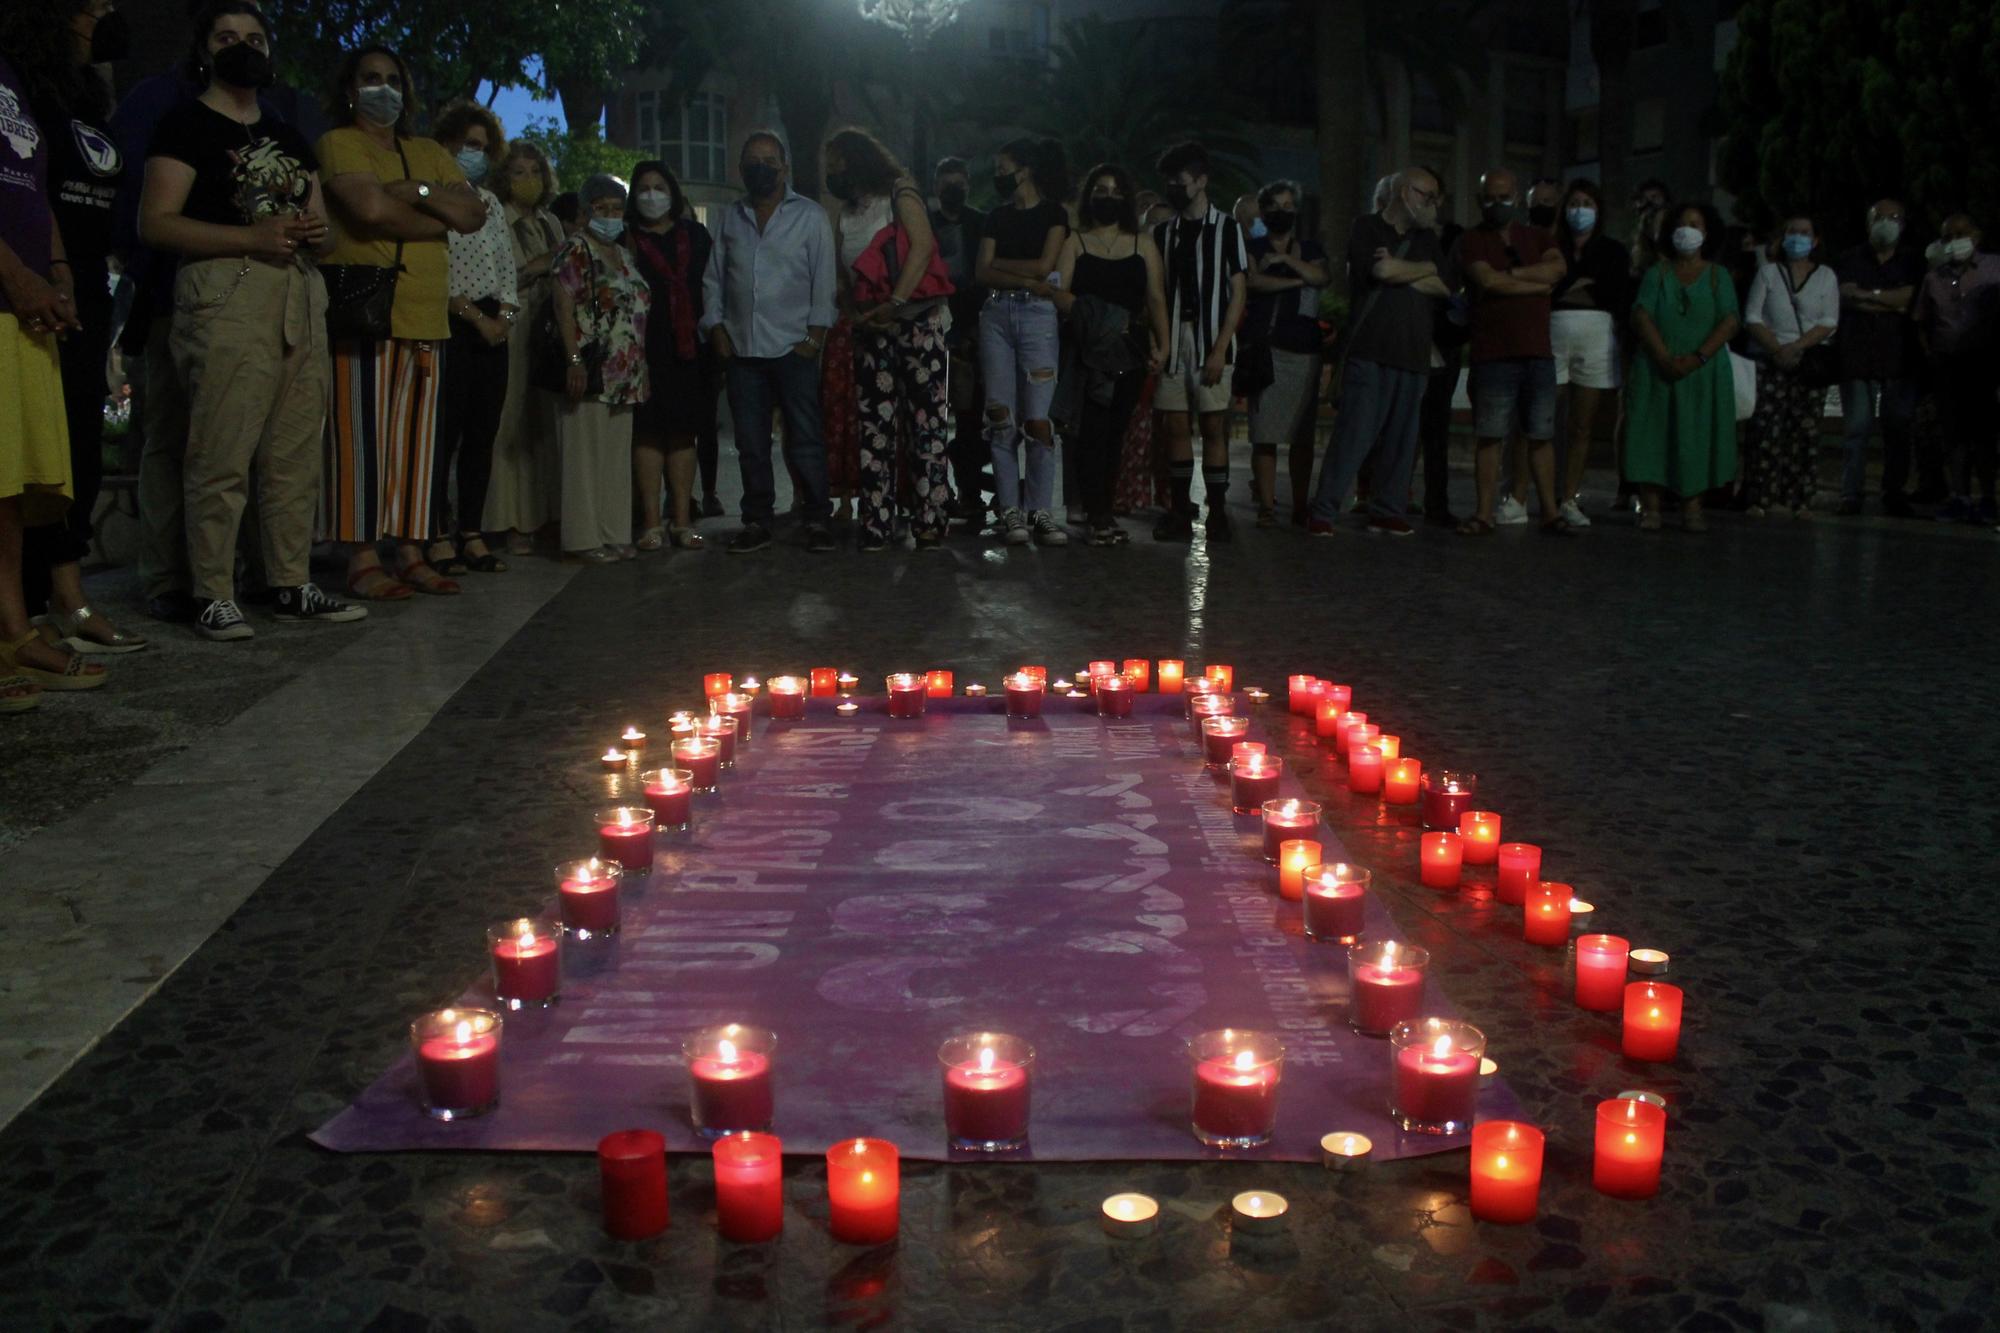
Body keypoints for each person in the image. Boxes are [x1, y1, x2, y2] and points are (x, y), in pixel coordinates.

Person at [140, 0, 365, 639]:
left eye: (256, 38)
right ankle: (211, 591)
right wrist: (250, 237)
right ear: (206, 50)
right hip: (226, 291)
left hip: (297, 294)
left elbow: (315, 220)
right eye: (228, 37)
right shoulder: (184, 124)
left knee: (293, 453)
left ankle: (289, 582)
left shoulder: (288, 133)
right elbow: (156, 223)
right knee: (221, 449)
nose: (244, 47)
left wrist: (314, 230)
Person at [316, 44, 488, 599]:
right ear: (350, 87)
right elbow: (367, 211)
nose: (383, 89)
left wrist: (413, 191)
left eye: (392, 79)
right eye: (371, 78)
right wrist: (433, 216)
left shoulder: (428, 151)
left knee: (417, 447)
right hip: (367, 311)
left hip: (425, 316)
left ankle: (411, 550)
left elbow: (471, 214)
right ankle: (362, 557)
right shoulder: (340, 143)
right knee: (362, 440)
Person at [22, 0, 147, 655]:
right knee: (40, 448)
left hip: (88, 282)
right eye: (95, 3)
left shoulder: (91, 94)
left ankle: (63, 596)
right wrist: (52, 268)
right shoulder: (24, 85)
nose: (109, 14)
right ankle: (46, 600)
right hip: (40, 277)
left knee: (78, 443)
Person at [0, 2, 107, 703]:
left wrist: (59, 270)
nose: (93, 14)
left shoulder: (13, 77)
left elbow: (30, 188)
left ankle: (12, 630)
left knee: (9, 485)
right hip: (8, 292)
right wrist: (16, 273)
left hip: (25, 308)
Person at [700, 130, 838, 554]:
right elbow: (713, 279)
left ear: (784, 167)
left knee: (805, 438)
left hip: (794, 347)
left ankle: (815, 517)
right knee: (751, 444)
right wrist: (716, 328)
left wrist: (815, 337)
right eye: (752, 161)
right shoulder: (729, 217)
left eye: (768, 160)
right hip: (743, 350)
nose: (760, 167)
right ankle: (757, 520)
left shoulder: (810, 216)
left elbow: (824, 281)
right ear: (741, 169)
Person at [824, 128, 952, 551]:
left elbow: (921, 247)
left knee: (926, 426)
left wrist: (895, 304)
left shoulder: (901, 194)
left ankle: (929, 519)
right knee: (874, 430)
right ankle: (876, 522)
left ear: (857, 159)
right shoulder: (847, 213)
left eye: (836, 162)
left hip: (916, 322)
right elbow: (846, 275)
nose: (832, 171)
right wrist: (857, 313)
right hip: (871, 329)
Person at [1305, 166, 1450, 537]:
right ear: (1404, 193)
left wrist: (1409, 267)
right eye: (1425, 194)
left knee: (1403, 439)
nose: (1432, 203)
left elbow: (1445, 285)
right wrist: (1421, 271)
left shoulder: (1427, 239)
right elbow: (1380, 271)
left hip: (1414, 352)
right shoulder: (1366, 227)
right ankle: (1324, 510)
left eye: (1435, 196)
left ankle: (1388, 509)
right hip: (1370, 349)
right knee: (1354, 434)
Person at [1051, 163, 1168, 545]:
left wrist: (1161, 344)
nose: (1108, 198)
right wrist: (1099, 318)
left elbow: (1155, 298)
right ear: (1089, 197)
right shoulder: (1075, 243)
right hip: (1090, 354)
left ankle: (1103, 509)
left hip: (1129, 353)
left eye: (1117, 192)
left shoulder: (1143, 244)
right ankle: (1098, 515)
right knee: (1092, 434)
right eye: (1100, 190)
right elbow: (1059, 293)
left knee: (1116, 433)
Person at [1454, 167, 1571, 536]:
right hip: (1494, 354)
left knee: (1541, 436)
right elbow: (1486, 280)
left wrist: (1512, 277)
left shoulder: (1535, 236)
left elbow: (1558, 269)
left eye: (1504, 197)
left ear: (1517, 198)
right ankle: (1484, 514)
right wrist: (1537, 286)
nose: (1497, 204)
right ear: (1479, 200)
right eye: (1490, 197)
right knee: (1490, 435)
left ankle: (1550, 513)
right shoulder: (1472, 239)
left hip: (1537, 353)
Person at [428, 102, 517, 575]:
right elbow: (432, 269)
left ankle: (471, 531)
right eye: (467, 145)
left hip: (492, 325)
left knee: (482, 437)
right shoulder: (432, 200)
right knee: (445, 436)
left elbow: (506, 268)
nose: (474, 154)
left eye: (482, 147)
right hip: (449, 322)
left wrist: (502, 316)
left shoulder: (490, 204)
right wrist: (474, 318)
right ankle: (436, 532)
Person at [1150, 140, 1247, 542]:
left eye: (1181, 180)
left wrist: (1221, 348)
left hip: (1209, 339)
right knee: (1175, 425)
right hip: (1174, 338)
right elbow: (1154, 291)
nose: (1175, 188)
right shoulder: (1162, 233)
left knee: (1213, 426)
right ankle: (1179, 511)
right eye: (1170, 181)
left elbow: (1238, 290)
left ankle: (1218, 512)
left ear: (1202, 181)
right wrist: (1159, 344)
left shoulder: (1227, 228)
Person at [974, 136, 1069, 546]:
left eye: (1003, 168)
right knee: (1000, 418)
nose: (999, 176)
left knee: (1039, 420)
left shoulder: (1053, 214)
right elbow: (982, 272)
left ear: (1025, 170)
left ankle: (1040, 511)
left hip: (1036, 317)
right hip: (997, 315)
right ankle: (1010, 510)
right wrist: (1027, 277)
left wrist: (1003, 266)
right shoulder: (995, 216)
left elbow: (1047, 265)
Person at [1625, 203, 1740, 532]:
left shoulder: (1719, 277)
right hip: (1656, 369)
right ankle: (1651, 507)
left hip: (1703, 373)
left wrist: (1698, 357)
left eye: (1695, 223)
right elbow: (1641, 314)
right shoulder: (1656, 274)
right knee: (1651, 433)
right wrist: (1663, 357)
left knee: (1697, 435)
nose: (1688, 229)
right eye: (1682, 223)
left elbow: (1730, 320)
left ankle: (1693, 506)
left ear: (1706, 233)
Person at [552, 174, 649, 561]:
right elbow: (562, 306)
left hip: (625, 369)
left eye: (616, 209)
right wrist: (573, 358)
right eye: (601, 209)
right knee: (584, 455)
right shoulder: (575, 250)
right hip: (591, 365)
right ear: (586, 211)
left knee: (613, 457)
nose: (610, 216)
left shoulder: (624, 255)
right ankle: (582, 537)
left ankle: (613, 531)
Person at [624, 159, 713, 550]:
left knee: (682, 434)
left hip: (688, 347)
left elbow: (711, 286)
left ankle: (681, 519)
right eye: (643, 188)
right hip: (641, 348)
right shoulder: (625, 239)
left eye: (660, 187)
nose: (652, 195)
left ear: (673, 193)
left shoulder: (694, 235)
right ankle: (650, 523)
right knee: (646, 434)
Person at [483, 140, 562, 556]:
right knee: (510, 420)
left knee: (542, 424)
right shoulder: (496, 220)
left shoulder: (550, 222)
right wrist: (535, 267)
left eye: (535, 172)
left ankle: (544, 514)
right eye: (518, 172)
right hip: (513, 325)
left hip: (547, 330)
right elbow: (493, 278)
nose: (528, 180)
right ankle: (508, 520)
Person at [1242, 178, 1329, 527]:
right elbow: (1252, 281)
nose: (1282, 212)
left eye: (1288, 206)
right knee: (1264, 434)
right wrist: (1297, 278)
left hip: (1305, 351)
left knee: (1301, 437)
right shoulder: (1252, 245)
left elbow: (1321, 277)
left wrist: (1283, 261)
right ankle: (1266, 505)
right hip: (1266, 347)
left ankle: (1298, 505)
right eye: (1274, 206)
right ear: (1263, 211)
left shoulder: (1310, 247)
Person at [1742, 214, 1838, 518]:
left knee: (1805, 432)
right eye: (1792, 232)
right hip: (1770, 360)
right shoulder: (1768, 273)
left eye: (1805, 232)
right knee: (1765, 429)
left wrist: (1796, 347)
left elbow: (1829, 321)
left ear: (1816, 239)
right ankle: (1761, 496)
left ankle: (1800, 498)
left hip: (1808, 361)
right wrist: (1777, 349)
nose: (1798, 237)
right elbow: (1753, 316)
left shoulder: (1826, 276)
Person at [1548, 179, 1631, 526]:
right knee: (1546, 418)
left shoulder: (1613, 251)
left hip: (1597, 339)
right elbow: (1549, 290)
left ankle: (1569, 496)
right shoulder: (1551, 247)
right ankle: (1541, 492)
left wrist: (1573, 288)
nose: (1580, 210)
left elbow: (1613, 294)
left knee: (1582, 424)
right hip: (1553, 335)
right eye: (1574, 203)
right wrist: (1580, 287)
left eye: (1587, 203)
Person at [1834, 200, 1923, 517]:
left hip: (1901, 357)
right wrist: (1890, 302)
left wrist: (1867, 296)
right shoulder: (1850, 258)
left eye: (1894, 217)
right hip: (1857, 355)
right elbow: (1845, 296)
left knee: (1898, 428)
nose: (1886, 222)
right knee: (1857, 428)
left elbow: (1911, 300)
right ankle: (1850, 493)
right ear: (1868, 222)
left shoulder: (1913, 260)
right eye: (1879, 217)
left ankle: (1894, 493)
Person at [1912, 214, 2000, 525]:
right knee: (1954, 435)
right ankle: (1960, 497)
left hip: (1984, 364)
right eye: (1947, 236)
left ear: (1976, 235)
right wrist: (1932, 355)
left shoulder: (1994, 268)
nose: (1954, 241)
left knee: (1984, 435)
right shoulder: (1935, 277)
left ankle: (1988, 498)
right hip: (1947, 365)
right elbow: (1922, 320)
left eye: (1961, 234)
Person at [929, 155, 989, 523]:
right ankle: (937, 490)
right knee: (931, 417)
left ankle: (969, 491)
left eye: (959, 181)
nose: (954, 188)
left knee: (969, 418)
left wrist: (975, 329)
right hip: (932, 325)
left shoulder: (980, 223)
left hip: (971, 332)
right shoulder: (925, 224)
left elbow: (983, 278)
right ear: (937, 185)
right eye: (947, 181)